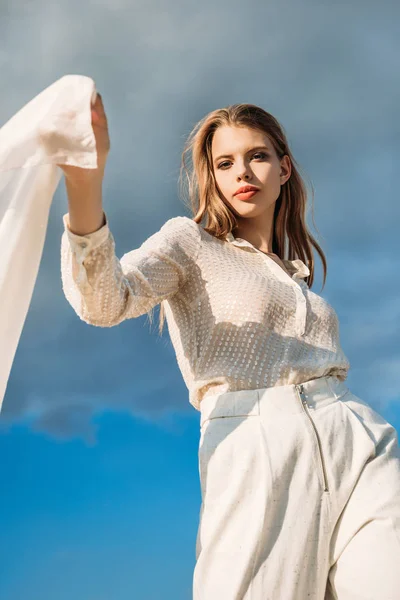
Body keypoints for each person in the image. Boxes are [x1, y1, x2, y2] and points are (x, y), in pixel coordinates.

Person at [59, 94, 400, 599]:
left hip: (359, 440)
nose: (243, 171)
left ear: (284, 169)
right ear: (211, 178)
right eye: (225, 162)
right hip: (255, 445)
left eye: (258, 156)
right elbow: (106, 300)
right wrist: (85, 183)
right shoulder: (189, 244)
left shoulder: (296, 277)